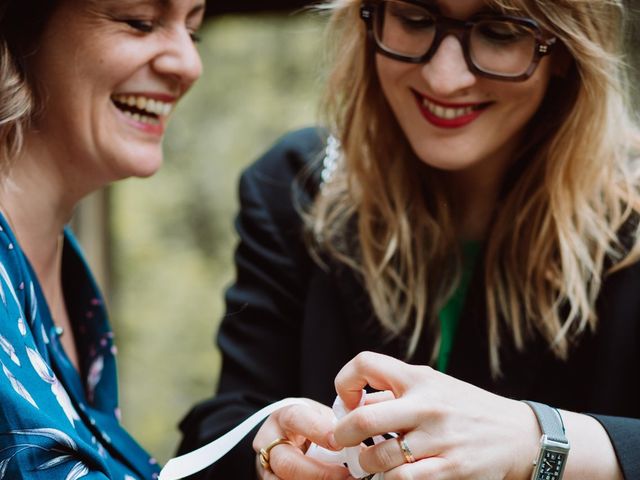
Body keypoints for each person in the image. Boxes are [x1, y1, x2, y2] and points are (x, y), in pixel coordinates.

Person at [178, 0, 640, 478]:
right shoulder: (296, 188)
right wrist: (269, 453)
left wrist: (541, 439)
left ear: (563, 49)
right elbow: (217, 434)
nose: (444, 78)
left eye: (500, 32)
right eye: (414, 20)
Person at [0, 0, 203, 478]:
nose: (190, 64)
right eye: (139, 22)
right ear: (19, 26)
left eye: (195, 31)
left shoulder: (69, 274)